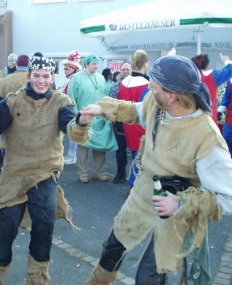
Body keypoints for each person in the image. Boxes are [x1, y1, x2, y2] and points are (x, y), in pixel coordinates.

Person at [81, 54, 232, 285]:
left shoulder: (207, 137)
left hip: (175, 206)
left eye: (154, 88)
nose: (149, 91)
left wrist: (181, 203)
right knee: (113, 248)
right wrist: (102, 109)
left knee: (150, 275)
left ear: (172, 96)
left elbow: (228, 198)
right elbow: (138, 111)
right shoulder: (157, 102)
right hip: (143, 190)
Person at [0, 55, 96, 284]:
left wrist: (81, 122)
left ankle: (36, 279)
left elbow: (71, 129)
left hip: (45, 174)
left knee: (44, 226)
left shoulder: (62, 102)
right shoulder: (13, 101)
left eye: (46, 76)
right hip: (15, 175)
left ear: (52, 78)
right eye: (37, 76)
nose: (41, 81)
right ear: (28, 76)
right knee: (4, 227)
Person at [68, 55, 118, 183]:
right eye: (94, 64)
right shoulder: (76, 78)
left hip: (100, 118)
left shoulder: (101, 77)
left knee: (100, 147)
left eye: (97, 64)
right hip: (84, 116)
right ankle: (83, 173)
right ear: (87, 64)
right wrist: (76, 116)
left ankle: (98, 172)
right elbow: (71, 98)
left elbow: (105, 95)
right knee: (83, 146)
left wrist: (106, 112)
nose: (96, 66)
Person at [118, 50, 150, 189]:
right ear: (146, 64)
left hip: (127, 123)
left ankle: (133, 181)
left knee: (135, 153)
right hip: (141, 124)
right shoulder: (147, 84)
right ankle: (133, 183)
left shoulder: (124, 82)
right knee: (140, 155)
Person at [108, 61, 132, 184]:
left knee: (136, 152)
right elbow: (111, 106)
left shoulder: (138, 85)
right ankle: (120, 174)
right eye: (123, 69)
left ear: (132, 70)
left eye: (128, 69)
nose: (125, 71)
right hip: (120, 124)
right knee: (121, 151)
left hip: (135, 123)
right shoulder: (115, 87)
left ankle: (136, 177)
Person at [191, 53, 232, 125]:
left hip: (192, 117)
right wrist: (226, 61)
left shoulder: (189, 77)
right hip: (210, 118)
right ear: (207, 66)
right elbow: (230, 70)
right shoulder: (213, 76)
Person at [61, 50, 82, 165]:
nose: (65, 71)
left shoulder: (73, 80)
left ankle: (72, 155)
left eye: (67, 69)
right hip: (71, 109)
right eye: (64, 69)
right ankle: (72, 154)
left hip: (73, 109)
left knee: (72, 133)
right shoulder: (71, 80)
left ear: (74, 69)